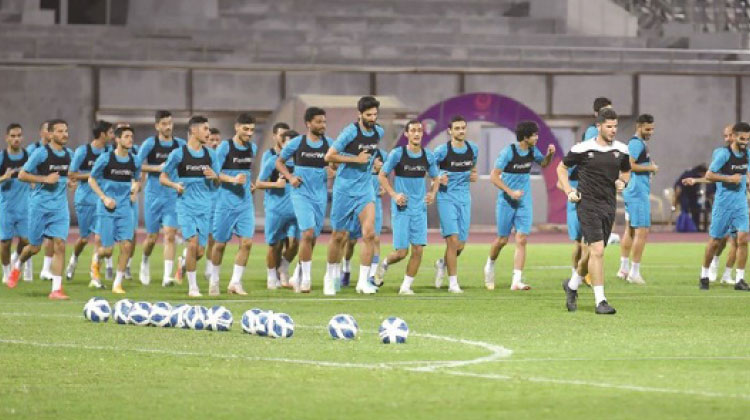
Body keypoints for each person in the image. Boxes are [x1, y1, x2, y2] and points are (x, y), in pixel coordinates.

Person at [558, 108, 631, 314]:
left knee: (592, 252)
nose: (613, 130)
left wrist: (623, 182)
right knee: (598, 251)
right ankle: (601, 301)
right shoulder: (582, 148)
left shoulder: (622, 150)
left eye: (615, 126)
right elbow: (561, 168)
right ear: (598, 126)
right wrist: (569, 190)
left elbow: (626, 171)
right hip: (587, 204)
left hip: (608, 205)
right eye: (609, 126)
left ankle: (572, 285)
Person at [7, 119, 74, 300]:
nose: (64, 134)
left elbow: (67, 175)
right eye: (59, 131)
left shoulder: (70, 154)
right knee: (34, 247)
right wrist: (44, 179)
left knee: (60, 244)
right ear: (50, 134)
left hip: (59, 208)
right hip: (39, 207)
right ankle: (18, 265)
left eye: (66, 131)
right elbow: (22, 175)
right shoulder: (41, 153)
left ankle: (56, 289)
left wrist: (70, 182)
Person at [484, 121, 555, 291]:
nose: (537, 138)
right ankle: (489, 265)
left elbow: (544, 163)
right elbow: (494, 177)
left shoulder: (532, 151)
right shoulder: (508, 152)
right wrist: (510, 192)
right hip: (506, 201)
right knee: (502, 240)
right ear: (525, 137)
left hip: (524, 201)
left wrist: (549, 155)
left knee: (522, 238)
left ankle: (516, 281)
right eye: (534, 135)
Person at [324, 96, 384, 295]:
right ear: (359, 114)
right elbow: (329, 156)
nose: (372, 118)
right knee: (339, 235)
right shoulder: (350, 132)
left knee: (369, 234)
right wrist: (356, 160)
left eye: (375, 114)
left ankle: (363, 282)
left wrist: (373, 164)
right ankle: (329, 277)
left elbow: (371, 155)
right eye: (369, 115)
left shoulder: (378, 132)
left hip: (365, 189)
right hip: (345, 188)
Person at [374, 120, 439, 294]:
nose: (417, 133)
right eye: (413, 130)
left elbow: (436, 178)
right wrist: (394, 195)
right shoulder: (397, 154)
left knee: (418, 249)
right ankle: (384, 264)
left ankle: (405, 287)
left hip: (420, 209)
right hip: (402, 209)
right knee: (402, 252)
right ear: (406, 134)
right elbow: (382, 176)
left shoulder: (428, 156)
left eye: (419, 130)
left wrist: (432, 193)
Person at [160, 115, 220, 297]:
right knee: (192, 244)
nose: (208, 133)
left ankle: (184, 262)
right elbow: (163, 177)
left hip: (205, 207)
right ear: (194, 130)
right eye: (205, 129)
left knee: (199, 251)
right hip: (185, 206)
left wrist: (215, 177)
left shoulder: (211, 155)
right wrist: (174, 185)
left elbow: (217, 183)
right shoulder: (178, 154)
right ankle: (193, 288)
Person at [276, 107, 333, 293]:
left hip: (320, 196)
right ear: (308, 123)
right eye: (319, 122)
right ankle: (306, 279)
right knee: (307, 233)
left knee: (312, 237)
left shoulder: (329, 144)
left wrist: (333, 170)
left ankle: (297, 274)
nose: (323, 125)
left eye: (324, 121)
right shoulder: (297, 143)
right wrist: (290, 177)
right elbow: (279, 162)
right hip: (301, 194)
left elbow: (337, 164)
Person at [208, 113, 258, 296]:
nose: (249, 133)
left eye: (252, 129)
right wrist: (233, 180)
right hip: (225, 203)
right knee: (220, 245)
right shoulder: (225, 147)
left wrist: (250, 184)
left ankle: (235, 283)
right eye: (246, 129)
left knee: (247, 242)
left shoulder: (252, 148)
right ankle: (214, 280)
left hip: (245, 203)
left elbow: (246, 172)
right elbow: (214, 174)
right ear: (237, 127)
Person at [88, 126, 141, 294]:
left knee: (126, 245)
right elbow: (91, 180)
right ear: (117, 139)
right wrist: (104, 198)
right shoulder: (105, 159)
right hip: (107, 208)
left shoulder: (135, 160)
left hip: (125, 208)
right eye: (126, 136)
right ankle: (96, 258)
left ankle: (117, 284)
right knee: (108, 250)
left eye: (131, 136)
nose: (130, 139)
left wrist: (135, 189)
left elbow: (137, 180)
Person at [697, 122, 750, 291]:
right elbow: (709, 175)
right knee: (715, 242)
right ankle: (704, 275)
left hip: (740, 204)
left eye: (748, 139)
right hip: (723, 204)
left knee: (743, 239)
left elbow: (747, 174)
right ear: (733, 137)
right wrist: (729, 179)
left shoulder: (747, 154)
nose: (745, 142)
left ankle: (739, 279)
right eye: (742, 139)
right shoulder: (724, 154)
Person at [137, 110, 185, 287]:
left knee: (170, 235)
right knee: (152, 237)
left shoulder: (180, 145)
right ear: (157, 126)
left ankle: (167, 276)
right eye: (164, 124)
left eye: (170, 123)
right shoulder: (150, 144)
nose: (168, 127)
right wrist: (156, 168)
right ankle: (144, 261)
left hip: (172, 196)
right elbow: (136, 165)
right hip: (153, 196)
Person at [433, 116, 479, 293]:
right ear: (450, 131)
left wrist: (473, 175)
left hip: (464, 199)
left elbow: (473, 168)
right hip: (446, 198)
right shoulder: (441, 151)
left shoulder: (473, 149)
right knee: (452, 240)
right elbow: (430, 169)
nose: (461, 131)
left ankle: (442, 263)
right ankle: (453, 283)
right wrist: (438, 178)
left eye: (463, 128)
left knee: (459, 246)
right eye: (457, 128)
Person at [66, 120, 114, 287]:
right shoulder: (83, 151)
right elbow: (72, 174)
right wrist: (93, 175)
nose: (113, 136)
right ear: (102, 134)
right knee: (84, 239)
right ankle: (74, 260)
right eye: (110, 132)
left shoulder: (110, 152)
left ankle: (95, 276)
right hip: (85, 200)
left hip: (102, 200)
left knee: (100, 238)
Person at [257, 125, 302, 290]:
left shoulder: (302, 164)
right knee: (274, 245)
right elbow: (259, 183)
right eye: (288, 144)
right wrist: (275, 185)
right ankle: (271, 277)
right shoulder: (272, 161)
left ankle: (283, 268)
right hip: (276, 209)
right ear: (282, 144)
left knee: (295, 243)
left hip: (296, 210)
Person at [617, 114, 658, 284]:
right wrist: (651, 168)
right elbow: (630, 165)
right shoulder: (636, 144)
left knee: (631, 230)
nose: (650, 132)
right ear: (638, 127)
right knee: (642, 231)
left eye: (652, 129)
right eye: (647, 129)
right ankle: (634, 272)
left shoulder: (640, 143)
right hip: (637, 192)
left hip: (633, 190)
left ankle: (623, 268)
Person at [0, 124, 30, 285]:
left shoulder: (28, 156)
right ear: (7, 138)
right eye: (13, 136)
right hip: (7, 208)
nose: (16, 139)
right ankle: (6, 273)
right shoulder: (2, 157)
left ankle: (16, 258)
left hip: (25, 207)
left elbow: (34, 175)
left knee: (26, 241)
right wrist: (4, 178)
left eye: (18, 135)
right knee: (5, 242)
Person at [25, 121, 53, 282]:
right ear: (41, 133)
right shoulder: (32, 150)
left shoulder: (58, 151)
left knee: (53, 236)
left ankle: (46, 270)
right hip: (34, 198)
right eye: (48, 130)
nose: (51, 133)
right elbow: (23, 171)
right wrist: (35, 180)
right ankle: (22, 262)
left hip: (52, 200)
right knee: (32, 241)